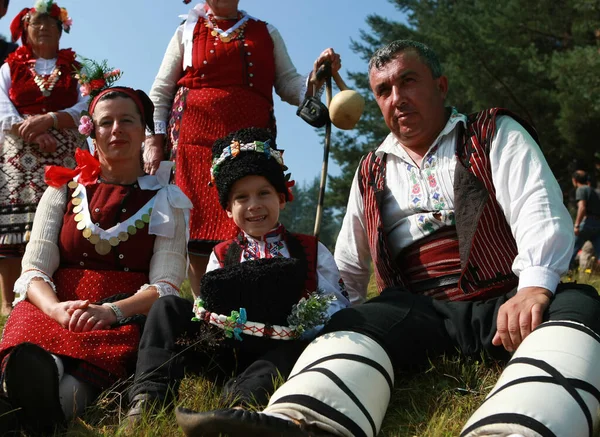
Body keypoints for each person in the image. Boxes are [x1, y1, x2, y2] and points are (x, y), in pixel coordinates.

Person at [174, 40, 600, 437]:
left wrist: (534, 288)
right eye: (383, 91)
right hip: (420, 314)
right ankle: (303, 421)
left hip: (503, 299)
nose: (396, 98)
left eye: (408, 81)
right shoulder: (371, 169)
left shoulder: (492, 131)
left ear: (441, 85)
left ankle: (517, 429)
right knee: (351, 323)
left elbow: (537, 206)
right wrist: (340, 324)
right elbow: (351, 267)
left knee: (579, 305)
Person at [125, 126, 350, 426]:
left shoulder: (309, 249)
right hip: (225, 348)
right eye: (241, 197)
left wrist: (305, 320)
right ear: (229, 210)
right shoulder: (221, 254)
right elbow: (206, 304)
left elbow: (337, 303)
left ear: (282, 199)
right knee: (168, 307)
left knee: (285, 356)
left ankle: (237, 407)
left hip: (279, 347)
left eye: (264, 193)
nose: (254, 205)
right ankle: (150, 396)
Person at [0, 84, 190, 435]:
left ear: (143, 130)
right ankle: (30, 391)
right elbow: (35, 268)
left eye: (127, 121)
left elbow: (166, 285)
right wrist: (57, 309)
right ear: (92, 131)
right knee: (32, 353)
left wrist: (110, 312)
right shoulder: (62, 189)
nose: (116, 129)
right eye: (106, 123)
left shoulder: (168, 199)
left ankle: (35, 410)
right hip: (52, 304)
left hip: (121, 312)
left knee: (80, 375)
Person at [143, 0, 342, 296]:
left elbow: (289, 83)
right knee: (198, 232)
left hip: (252, 142)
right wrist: (154, 140)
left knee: (252, 216)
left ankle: (258, 306)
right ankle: (208, 309)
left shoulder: (266, 32)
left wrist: (316, 77)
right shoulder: (188, 31)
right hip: (195, 146)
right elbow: (160, 91)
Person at [0, 1, 87, 316]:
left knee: (64, 222)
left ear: (61, 29)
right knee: (14, 227)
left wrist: (51, 120)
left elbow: (88, 105)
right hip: (20, 153)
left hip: (64, 150)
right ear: (26, 31)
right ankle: (8, 303)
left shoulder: (77, 68)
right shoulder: (10, 67)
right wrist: (34, 133)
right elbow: (3, 109)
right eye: (37, 23)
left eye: (51, 23)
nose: (44, 28)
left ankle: (59, 291)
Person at [570, 169, 600, 270]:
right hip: (597, 225)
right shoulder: (595, 191)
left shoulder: (581, 189)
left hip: (587, 224)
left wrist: (577, 225)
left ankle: (565, 273)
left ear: (574, 180)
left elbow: (582, 207)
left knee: (571, 250)